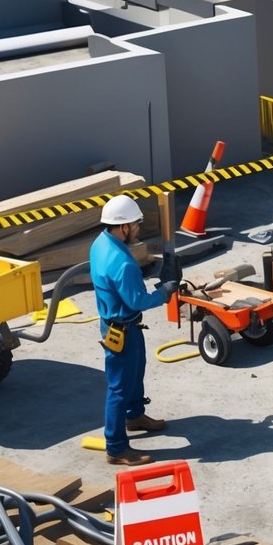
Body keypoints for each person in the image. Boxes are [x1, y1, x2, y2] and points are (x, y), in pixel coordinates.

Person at [90, 194, 176, 467]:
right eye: (135, 225)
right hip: (121, 329)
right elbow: (137, 300)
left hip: (121, 325)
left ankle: (135, 415)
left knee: (137, 370)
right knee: (119, 387)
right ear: (123, 227)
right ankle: (115, 447)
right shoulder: (123, 263)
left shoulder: (101, 243)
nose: (138, 229)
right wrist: (164, 293)